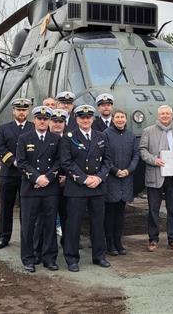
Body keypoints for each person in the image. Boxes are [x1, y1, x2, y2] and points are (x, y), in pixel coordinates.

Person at [60, 104, 112, 272]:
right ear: (77, 119)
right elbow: (66, 162)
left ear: (93, 119)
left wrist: (98, 177)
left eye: (88, 117)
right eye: (82, 117)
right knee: (73, 224)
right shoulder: (69, 137)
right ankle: (72, 259)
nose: (85, 120)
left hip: (97, 186)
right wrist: (84, 179)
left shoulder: (101, 136)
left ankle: (99, 256)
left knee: (98, 224)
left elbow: (107, 161)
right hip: (77, 187)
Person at [16, 106, 62, 272]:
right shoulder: (24, 138)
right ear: (34, 120)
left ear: (49, 120)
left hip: (50, 189)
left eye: (45, 119)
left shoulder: (55, 139)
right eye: (39, 118)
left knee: (49, 225)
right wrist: (36, 178)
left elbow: (59, 162)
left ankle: (49, 258)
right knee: (28, 225)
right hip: (30, 189)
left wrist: (47, 178)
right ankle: (28, 258)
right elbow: (21, 162)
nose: (42, 121)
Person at [139, 105, 173, 252]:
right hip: (155, 175)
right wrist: (154, 160)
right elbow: (142, 150)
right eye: (162, 114)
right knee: (153, 210)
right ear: (158, 115)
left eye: (167, 113)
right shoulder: (148, 131)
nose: (165, 116)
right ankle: (153, 239)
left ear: (171, 116)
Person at [0, 97, 33, 250]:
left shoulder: (32, 127)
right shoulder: (4, 128)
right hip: (9, 174)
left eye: (24, 110)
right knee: (6, 207)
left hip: (27, 175)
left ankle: (26, 237)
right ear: (13, 111)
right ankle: (4, 237)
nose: (21, 112)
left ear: (28, 111)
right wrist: (14, 161)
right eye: (18, 109)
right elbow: (0, 147)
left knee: (27, 209)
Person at [104, 109, 140, 256]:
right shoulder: (106, 134)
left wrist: (129, 170)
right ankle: (109, 244)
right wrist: (115, 170)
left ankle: (119, 242)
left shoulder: (131, 135)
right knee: (109, 214)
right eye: (117, 117)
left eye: (122, 117)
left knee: (120, 214)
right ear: (113, 119)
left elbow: (136, 155)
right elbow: (105, 157)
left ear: (126, 119)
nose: (120, 120)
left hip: (126, 179)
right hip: (111, 179)